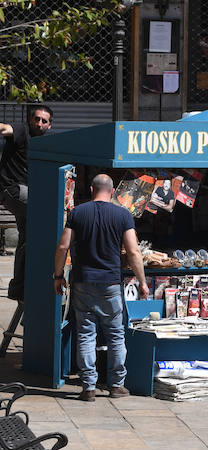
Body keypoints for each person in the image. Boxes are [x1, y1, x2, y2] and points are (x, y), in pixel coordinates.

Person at [54, 174, 149, 402]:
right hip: (110, 284)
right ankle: (116, 386)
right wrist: (143, 282)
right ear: (113, 190)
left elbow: (62, 246)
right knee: (116, 335)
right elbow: (134, 252)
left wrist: (58, 276)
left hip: (83, 282)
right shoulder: (123, 214)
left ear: (90, 189)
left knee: (86, 335)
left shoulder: (77, 213)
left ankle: (88, 387)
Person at [0, 105, 53, 301]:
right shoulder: (22, 131)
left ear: (49, 125)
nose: (39, 123)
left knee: (26, 240)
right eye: (36, 119)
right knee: (51, 215)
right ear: (30, 120)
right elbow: (5, 129)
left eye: (43, 121)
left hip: (21, 196)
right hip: (13, 190)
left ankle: (19, 288)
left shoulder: (45, 144)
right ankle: (44, 278)